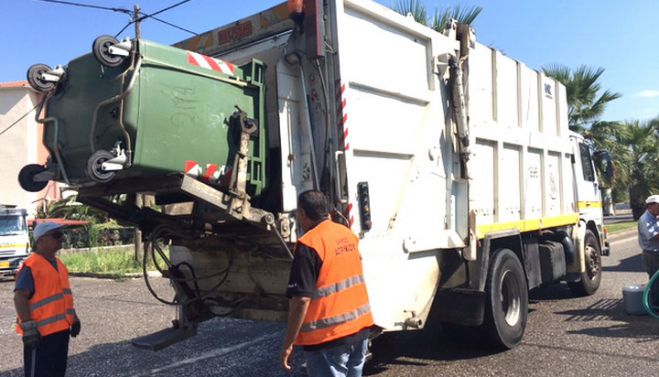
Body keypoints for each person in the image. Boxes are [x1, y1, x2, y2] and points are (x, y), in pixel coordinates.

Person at [280, 190, 374, 377]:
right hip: (360, 329)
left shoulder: (309, 244)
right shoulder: (347, 234)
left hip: (329, 338)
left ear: (303, 214)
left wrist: (289, 343)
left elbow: (301, 301)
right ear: (327, 211)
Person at [14, 222, 81, 377]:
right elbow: (19, 296)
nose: (61, 238)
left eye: (61, 235)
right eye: (56, 235)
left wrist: (74, 318)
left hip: (61, 332)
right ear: (41, 240)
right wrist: (28, 328)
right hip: (40, 335)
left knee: (58, 372)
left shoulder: (59, 264)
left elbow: (63, 296)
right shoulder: (31, 266)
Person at [638, 195, 659, 306]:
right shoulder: (645, 219)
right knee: (656, 280)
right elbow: (653, 236)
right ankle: (656, 304)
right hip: (652, 254)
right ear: (650, 206)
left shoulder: (655, 217)